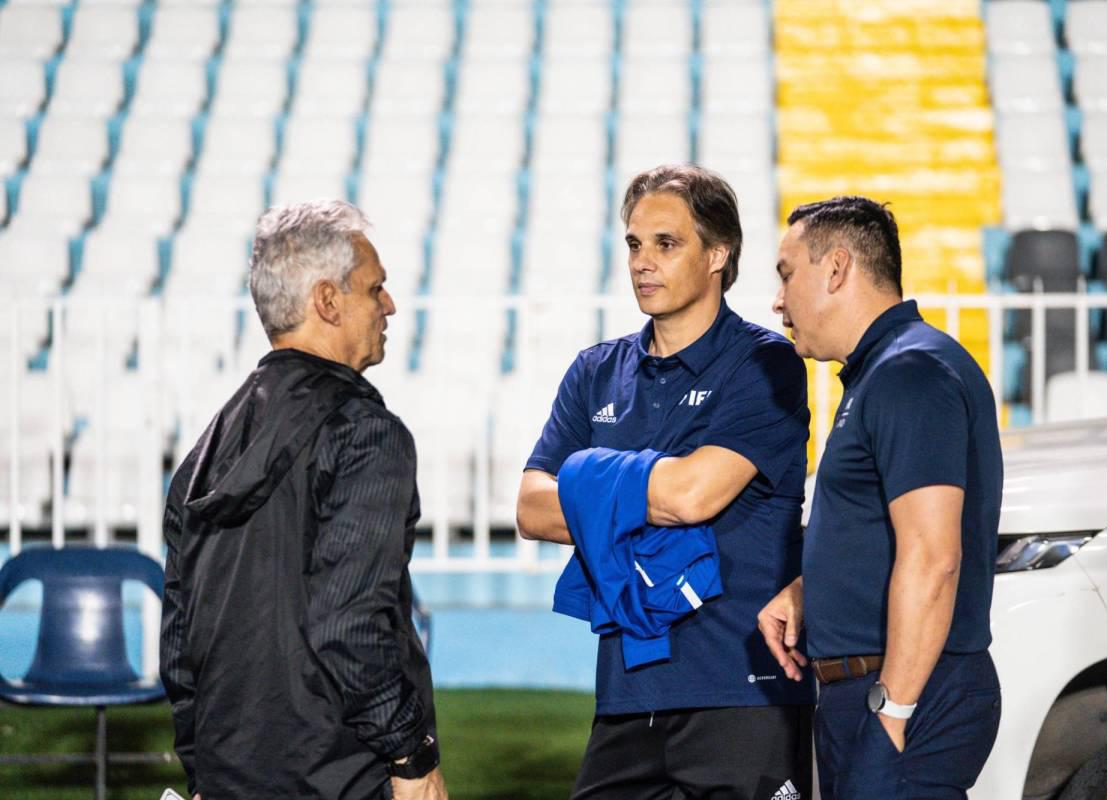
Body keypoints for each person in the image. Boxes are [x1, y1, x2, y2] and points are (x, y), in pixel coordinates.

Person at [516, 164, 815, 799]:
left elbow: (692, 498)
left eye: (666, 243)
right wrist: (651, 483)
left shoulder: (767, 364)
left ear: (718, 253)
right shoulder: (595, 371)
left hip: (743, 689)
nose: (642, 263)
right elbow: (531, 509)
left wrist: (587, 476)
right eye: (633, 244)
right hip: (628, 691)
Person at [159, 200, 447, 800]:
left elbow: (180, 645)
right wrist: (410, 754)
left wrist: (202, 765)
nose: (389, 305)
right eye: (375, 289)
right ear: (327, 300)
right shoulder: (368, 434)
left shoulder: (206, 450)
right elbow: (349, 625)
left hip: (227, 774)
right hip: (339, 775)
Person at [758, 196, 1003, 799]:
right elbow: (893, 534)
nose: (778, 300)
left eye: (788, 274)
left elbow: (933, 557)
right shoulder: (885, 372)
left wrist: (892, 710)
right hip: (877, 690)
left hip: (903, 693)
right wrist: (813, 587)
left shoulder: (908, 373)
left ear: (836, 268)